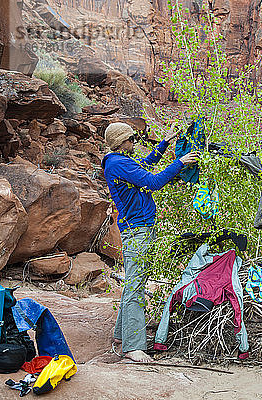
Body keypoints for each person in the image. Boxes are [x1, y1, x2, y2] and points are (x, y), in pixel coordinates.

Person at [101, 122, 199, 362]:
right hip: (137, 230)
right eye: (131, 139)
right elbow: (152, 182)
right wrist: (180, 163)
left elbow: (144, 166)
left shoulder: (118, 161)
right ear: (121, 142)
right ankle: (133, 347)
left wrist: (164, 143)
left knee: (134, 281)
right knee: (136, 285)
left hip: (136, 228)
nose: (134, 143)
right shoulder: (118, 163)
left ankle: (121, 335)